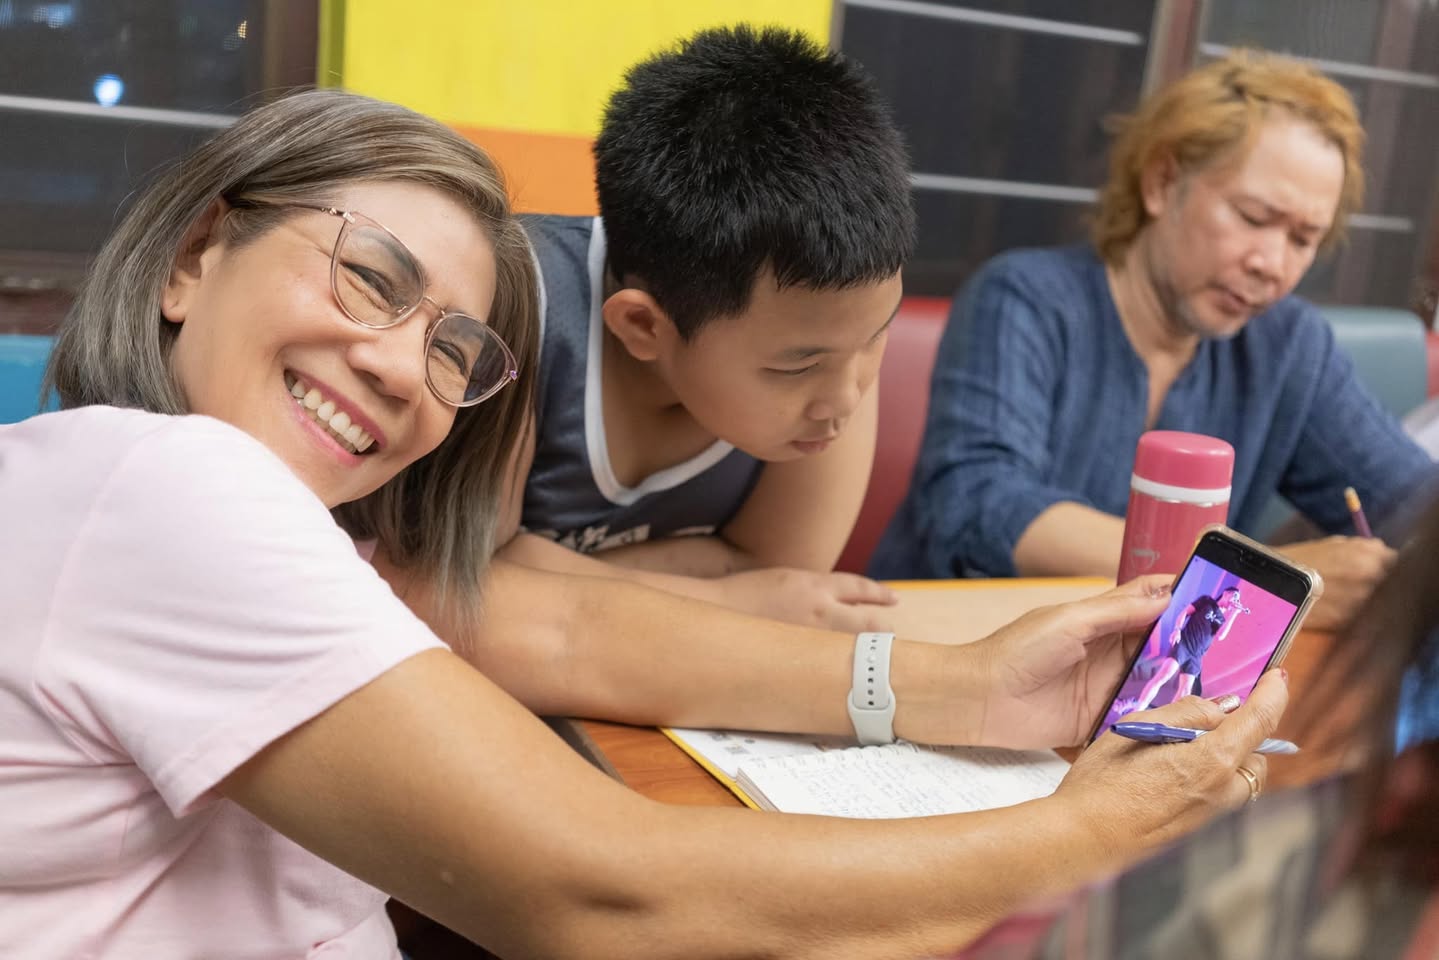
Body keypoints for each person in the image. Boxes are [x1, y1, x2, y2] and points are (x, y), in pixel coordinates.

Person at [1, 90, 1287, 959]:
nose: (402, 368)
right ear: (191, 257)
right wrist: (1091, 829)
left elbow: (552, 617)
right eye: (370, 276)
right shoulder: (161, 486)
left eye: (455, 347)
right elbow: (599, 886)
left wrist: (964, 689)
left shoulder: (249, 525)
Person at [870, 50, 1436, 629]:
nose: (1273, 263)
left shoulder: (1286, 345)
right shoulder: (1022, 298)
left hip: (1142, 687)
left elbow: (1418, 502)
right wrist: (1264, 577)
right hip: (943, 649)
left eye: (1303, 239)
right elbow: (978, 503)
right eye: (1254, 216)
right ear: (1164, 182)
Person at [497, 26, 913, 632]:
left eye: (879, 335)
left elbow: (784, 566)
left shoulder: (834, 342)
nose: (845, 400)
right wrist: (730, 599)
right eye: (796, 367)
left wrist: (545, 568)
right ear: (643, 326)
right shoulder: (513, 313)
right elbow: (465, 577)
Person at [958, 495, 1439, 960]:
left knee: (1182, 692)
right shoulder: (1204, 604)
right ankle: (1134, 710)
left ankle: (1134, 712)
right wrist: (1089, 826)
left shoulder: (1295, 851)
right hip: (1173, 664)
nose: (1230, 599)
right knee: (1165, 685)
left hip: (1185, 675)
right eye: (1229, 595)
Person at [1131, 586, 1246, 710]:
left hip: (1196, 655)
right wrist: (1177, 629)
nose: (1236, 600)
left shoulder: (1222, 619)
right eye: (1234, 596)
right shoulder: (1206, 601)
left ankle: (1164, 721)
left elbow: (1221, 636)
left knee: (1185, 692)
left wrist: (1234, 613)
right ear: (1226, 593)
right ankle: (1137, 709)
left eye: (1238, 599)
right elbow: (1185, 612)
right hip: (1184, 644)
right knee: (1164, 674)